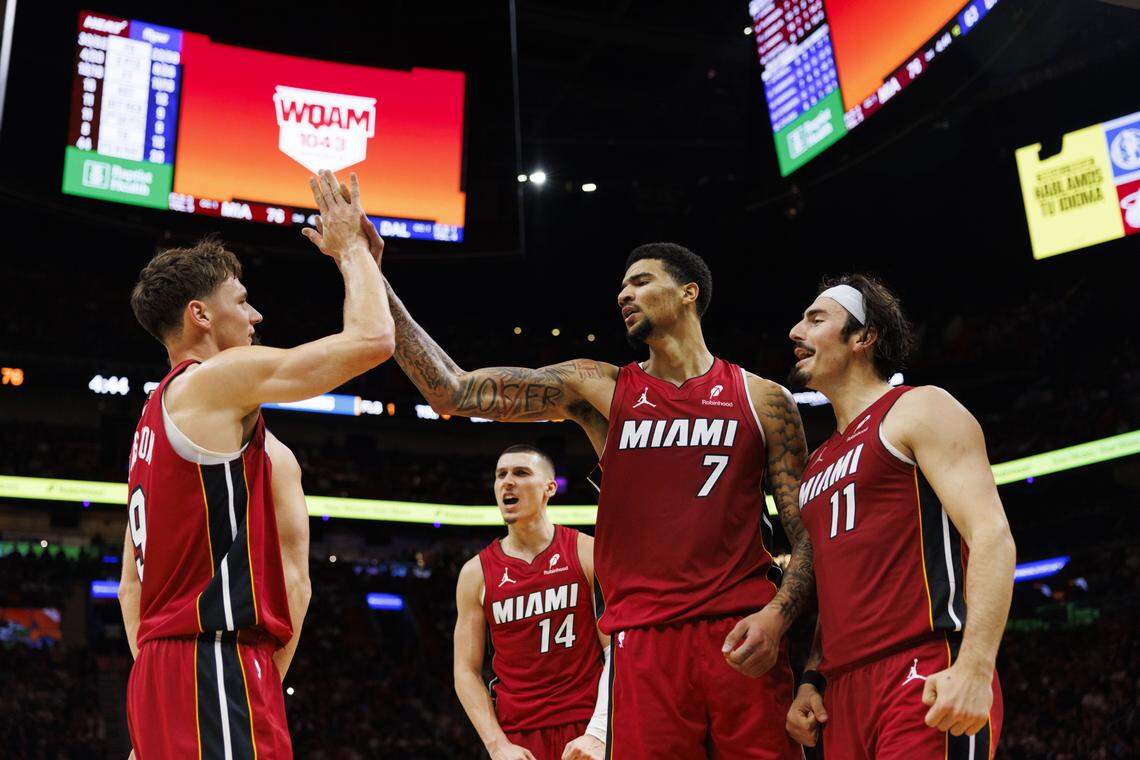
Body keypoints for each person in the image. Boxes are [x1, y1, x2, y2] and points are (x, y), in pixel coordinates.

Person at [375, 237, 810, 759]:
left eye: (641, 281)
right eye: (621, 286)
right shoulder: (599, 388)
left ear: (689, 292)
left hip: (741, 632)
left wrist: (779, 616)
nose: (624, 294)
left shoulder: (762, 398)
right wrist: (369, 272)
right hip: (642, 641)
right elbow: (452, 390)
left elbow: (807, 535)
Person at [118, 171, 393, 758]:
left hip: (158, 673)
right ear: (201, 315)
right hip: (215, 662)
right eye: (241, 301)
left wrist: (161, 691)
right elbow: (373, 340)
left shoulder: (150, 420)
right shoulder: (212, 380)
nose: (257, 315)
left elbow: (129, 586)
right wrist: (352, 254)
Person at [783, 275, 1015, 760]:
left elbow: (991, 534)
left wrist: (975, 666)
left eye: (815, 319)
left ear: (864, 338)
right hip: (842, 693)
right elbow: (838, 588)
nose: (794, 331)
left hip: (923, 667)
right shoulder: (817, 465)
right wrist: (812, 676)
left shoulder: (918, 408)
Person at [454, 444, 609, 760]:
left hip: (586, 726)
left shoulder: (587, 552)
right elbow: (465, 671)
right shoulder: (475, 573)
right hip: (517, 736)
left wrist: (599, 733)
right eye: (501, 475)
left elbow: (617, 650)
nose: (507, 482)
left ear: (549, 488)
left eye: (521, 473)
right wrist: (498, 746)